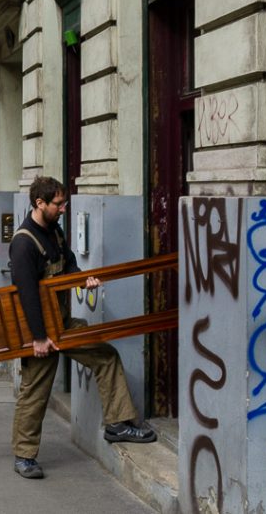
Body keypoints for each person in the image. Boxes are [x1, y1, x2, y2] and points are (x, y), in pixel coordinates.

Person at [9, 177, 156, 480]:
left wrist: (82, 278)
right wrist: (38, 338)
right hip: (39, 331)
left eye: (64, 203)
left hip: (63, 324)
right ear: (40, 204)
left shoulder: (55, 232)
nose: (64, 209)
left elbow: (70, 266)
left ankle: (117, 424)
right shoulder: (24, 243)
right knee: (35, 391)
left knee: (105, 355)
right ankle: (24, 456)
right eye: (58, 204)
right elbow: (26, 295)